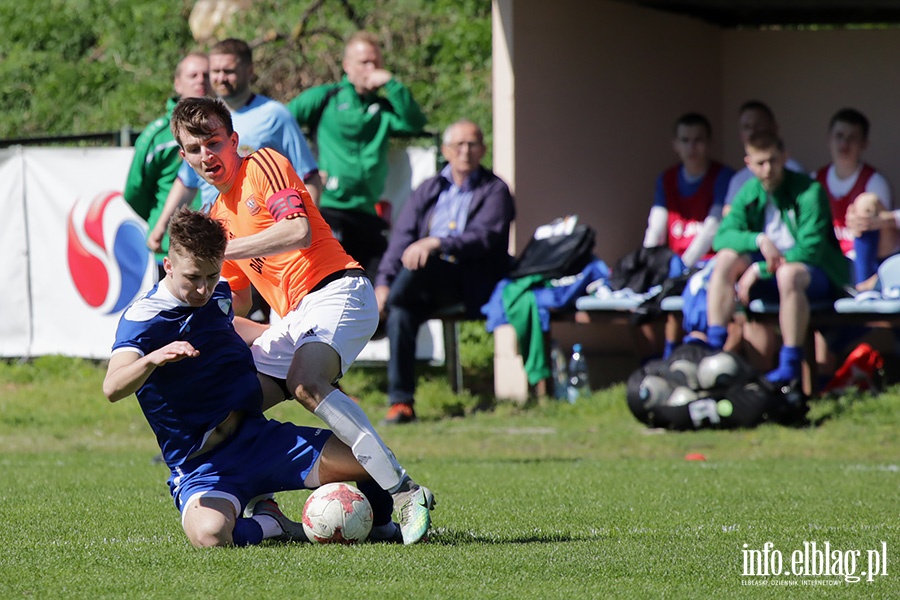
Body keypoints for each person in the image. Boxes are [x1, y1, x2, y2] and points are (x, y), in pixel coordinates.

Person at [169, 96, 435, 545]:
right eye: (194, 149)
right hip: (295, 319)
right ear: (183, 155)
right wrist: (184, 303)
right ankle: (274, 506)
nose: (206, 156)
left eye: (213, 142)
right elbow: (234, 300)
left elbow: (297, 230)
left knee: (306, 383)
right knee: (231, 406)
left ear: (234, 141)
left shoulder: (263, 163)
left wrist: (215, 251)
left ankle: (406, 491)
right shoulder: (216, 216)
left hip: (338, 289)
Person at [102, 208, 406, 547]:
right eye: (193, 278)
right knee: (211, 536)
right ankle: (272, 524)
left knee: (371, 461)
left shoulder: (216, 292)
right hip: (204, 465)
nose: (204, 288)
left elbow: (227, 323)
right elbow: (113, 387)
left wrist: (275, 332)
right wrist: (153, 359)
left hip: (259, 440)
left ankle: (382, 527)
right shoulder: (144, 318)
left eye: (212, 275)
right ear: (168, 266)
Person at [374, 120, 515, 424]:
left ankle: (376, 321)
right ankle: (401, 404)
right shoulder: (430, 188)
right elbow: (401, 239)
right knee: (401, 312)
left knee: (422, 265)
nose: (465, 151)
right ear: (445, 150)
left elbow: (484, 238)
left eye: (472, 144)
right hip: (422, 284)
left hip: (470, 281)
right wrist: (383, 283)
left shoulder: (495, 190)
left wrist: (436, 243)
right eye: (459, 145)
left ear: (483, 150)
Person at [147, 38, 321, 253]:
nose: (221, 78)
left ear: (249, 71)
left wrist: (301, 225)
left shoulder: (274, 115)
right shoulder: (203, 119)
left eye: (228, 71)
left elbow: (309, 176)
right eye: (215, 71)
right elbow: (186, 182)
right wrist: (160, 227)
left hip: (265, 238)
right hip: (223, 232)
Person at [705, 131, 850, 386]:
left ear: (785, 157)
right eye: (760, 163)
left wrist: (760, 269)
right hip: (771, 281)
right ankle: (712, 354)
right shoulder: (749, 191)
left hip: (814, 278)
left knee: (788, 273)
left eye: (773, 160)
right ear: (748, 163)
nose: (768, 169)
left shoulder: (809, 191)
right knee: (726, 259)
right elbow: (722, 237)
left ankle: (790, 366)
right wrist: (758, 240)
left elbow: (810, 250)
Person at [286, 31, 426, 275]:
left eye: (376, 62)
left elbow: (414, 123)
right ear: (347, 66)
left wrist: (392, 84)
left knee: (376, 286)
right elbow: (281, 123)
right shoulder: (326, 97)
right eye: (364, 62)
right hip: (329, 209)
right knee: (331, 280)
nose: (371, 68)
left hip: (368, 211)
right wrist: (301, 173)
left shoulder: (383, 109)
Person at [638, 112, 734, 360]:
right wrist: (647, 262)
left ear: (709, 143)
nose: (692, 147)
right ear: (675, 145)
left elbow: (713, 226)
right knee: (643, 298)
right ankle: (662, 360)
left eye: (698, 140)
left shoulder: (722, 177)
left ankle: (709, 357)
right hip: (676, 263)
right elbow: (656, 226)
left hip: (708, 262)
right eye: (685, 140)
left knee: (696, 289)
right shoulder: (667, 178)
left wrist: (686, 266)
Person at [123, 52, 210, 274]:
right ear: (178, 84)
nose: (201, 80)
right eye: (193, 75)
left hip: (217, 244)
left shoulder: (227, 127)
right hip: (171, 248)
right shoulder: (158, 135)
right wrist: (160, 221)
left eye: (206, 74)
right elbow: (135, 192)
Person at [813, 108, 896, 287]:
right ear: (829, 139)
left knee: (867, 203)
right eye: (839, 136)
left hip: (865, 262)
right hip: (830, 265)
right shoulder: (814, 180)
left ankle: (863, 289)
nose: (844, 144)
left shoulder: (874, 181)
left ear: (864, 143)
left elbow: (887, 244)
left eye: (852, 138)